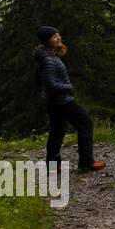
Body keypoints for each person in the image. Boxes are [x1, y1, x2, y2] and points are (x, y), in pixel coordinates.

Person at [34, 25, 106, 173]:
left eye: (58, 34)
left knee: (57, 131)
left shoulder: (51, 56)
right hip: (62, 101)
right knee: (85, 123)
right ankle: (86, 163)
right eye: (54, 36)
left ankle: (53, 166)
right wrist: (68, 87)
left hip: (54, 101)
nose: (59, 37)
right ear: (47, 41)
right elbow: (51, 84)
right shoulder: (48, 60)